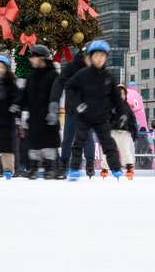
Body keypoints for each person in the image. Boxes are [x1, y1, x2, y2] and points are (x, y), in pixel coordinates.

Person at [61, 41, 124, 181]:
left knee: (109, 143)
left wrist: (123, 113)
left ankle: (115, 168)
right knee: (79, 142)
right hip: (85, 116)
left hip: (101, 117)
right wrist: (78, 105)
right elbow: (69, 87)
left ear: (106, 58)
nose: (99, 59)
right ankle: (74, 169)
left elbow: (117, 98)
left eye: (102, 56)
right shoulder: (83, 74)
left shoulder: (109, 77)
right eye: (96, 56)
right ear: (90, 58)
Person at [16, 46, 61, 180]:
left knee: (49, 145)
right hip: (34, 116)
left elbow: (57, 93)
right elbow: (24, 95)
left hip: (48, 116)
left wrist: (54, 109)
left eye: (32, 57)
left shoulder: (53, 74)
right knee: (33, 145)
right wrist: (17, 105)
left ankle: (51, 168)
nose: (31, 60)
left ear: (41, 57)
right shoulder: (31, 76)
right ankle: (33, 168)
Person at [51, 47, 98, 175]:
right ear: (84, 55)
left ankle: (89, 164)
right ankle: (63, 164)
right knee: (68, 137)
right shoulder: (72, 66)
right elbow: (60, 82)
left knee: (87, 137)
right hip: (72, 108)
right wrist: (54, 100)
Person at [109, 84, 140, 180]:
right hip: (112, 132)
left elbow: (133, 119)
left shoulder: (127, 107)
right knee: (109, 151)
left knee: (125, 150)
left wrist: (134, 131)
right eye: (119, 94)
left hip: (124, 132)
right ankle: (105, 167)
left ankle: (129, 167)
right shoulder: (110, 105)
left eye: (123, 94)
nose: (121, 96)